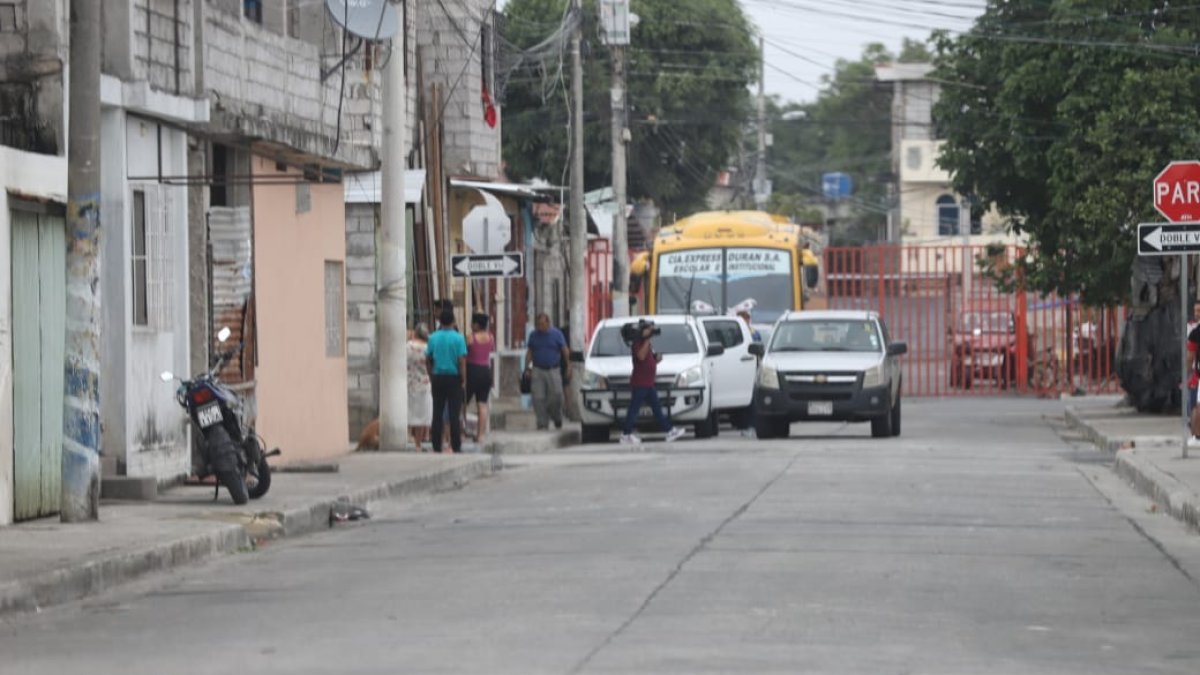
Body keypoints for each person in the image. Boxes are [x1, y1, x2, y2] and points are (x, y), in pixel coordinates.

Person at [621, 319, 685, 445]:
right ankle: (626, 434)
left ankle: (670, 430)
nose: (650, 332)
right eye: (648, 329)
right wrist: (647, 339)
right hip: (640, 383)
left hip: (648, 383)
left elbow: (648, 360)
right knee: (634, 410)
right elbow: (640, 356)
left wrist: (656, 359)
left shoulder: (646, 343)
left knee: (657, 409)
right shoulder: (638, 343)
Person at [426, 309, 468, 453]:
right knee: (453, 414)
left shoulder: (433, 338)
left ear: (440, 322)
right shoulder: (459, 338)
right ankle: (456, 445)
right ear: (453, 321)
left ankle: (436, 445)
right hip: (454, 377)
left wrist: (431, 375)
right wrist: (463, 378)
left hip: (437, 377)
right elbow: (461, 360)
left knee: (437, 412)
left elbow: (428, 358)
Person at [525, 313, 570, 430]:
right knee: (538, 398)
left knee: (556, 395)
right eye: (538, 325)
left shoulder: (557, 334)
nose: (540, 327)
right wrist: (528, 368)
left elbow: (564, 350)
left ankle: (557, 417)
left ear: (548, 323)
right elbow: (530, 353)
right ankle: (542, 422)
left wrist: (569, 365)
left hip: (553, 370)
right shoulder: (533, 336)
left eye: (542, 324)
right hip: (538, 370)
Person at [465, 313, 494, 445]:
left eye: (472, 322)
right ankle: (480, 434)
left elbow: (464, 354)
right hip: (486, 371)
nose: (471, 325)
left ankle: (461, 430)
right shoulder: (490, 337)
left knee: (462, 403)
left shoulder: (470, 338)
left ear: (477, 324)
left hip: (472, 371)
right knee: (482, 404)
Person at [407, 324, 433, 451]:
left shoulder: (407, 346)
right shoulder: (428, 348)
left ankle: (406, 438)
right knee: (422, 416)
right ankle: (418, 444)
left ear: (415, 333)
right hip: (424, 384)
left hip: (408, 383)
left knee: (408, 412)